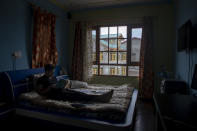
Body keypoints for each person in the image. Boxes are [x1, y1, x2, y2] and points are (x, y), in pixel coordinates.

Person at [36, 64, 113, 102]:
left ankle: (99, 96)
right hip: (55, 95)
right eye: (51, 72)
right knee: (76, 96)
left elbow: (57, 86)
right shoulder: (41, 80)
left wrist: (64, 85)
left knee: (77, 93)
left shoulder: (52, 78)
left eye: (53, 72)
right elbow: (40, 92)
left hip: (61, 91)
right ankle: (98, 99)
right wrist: (49, 88)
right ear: (46, 71)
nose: (52, 74)